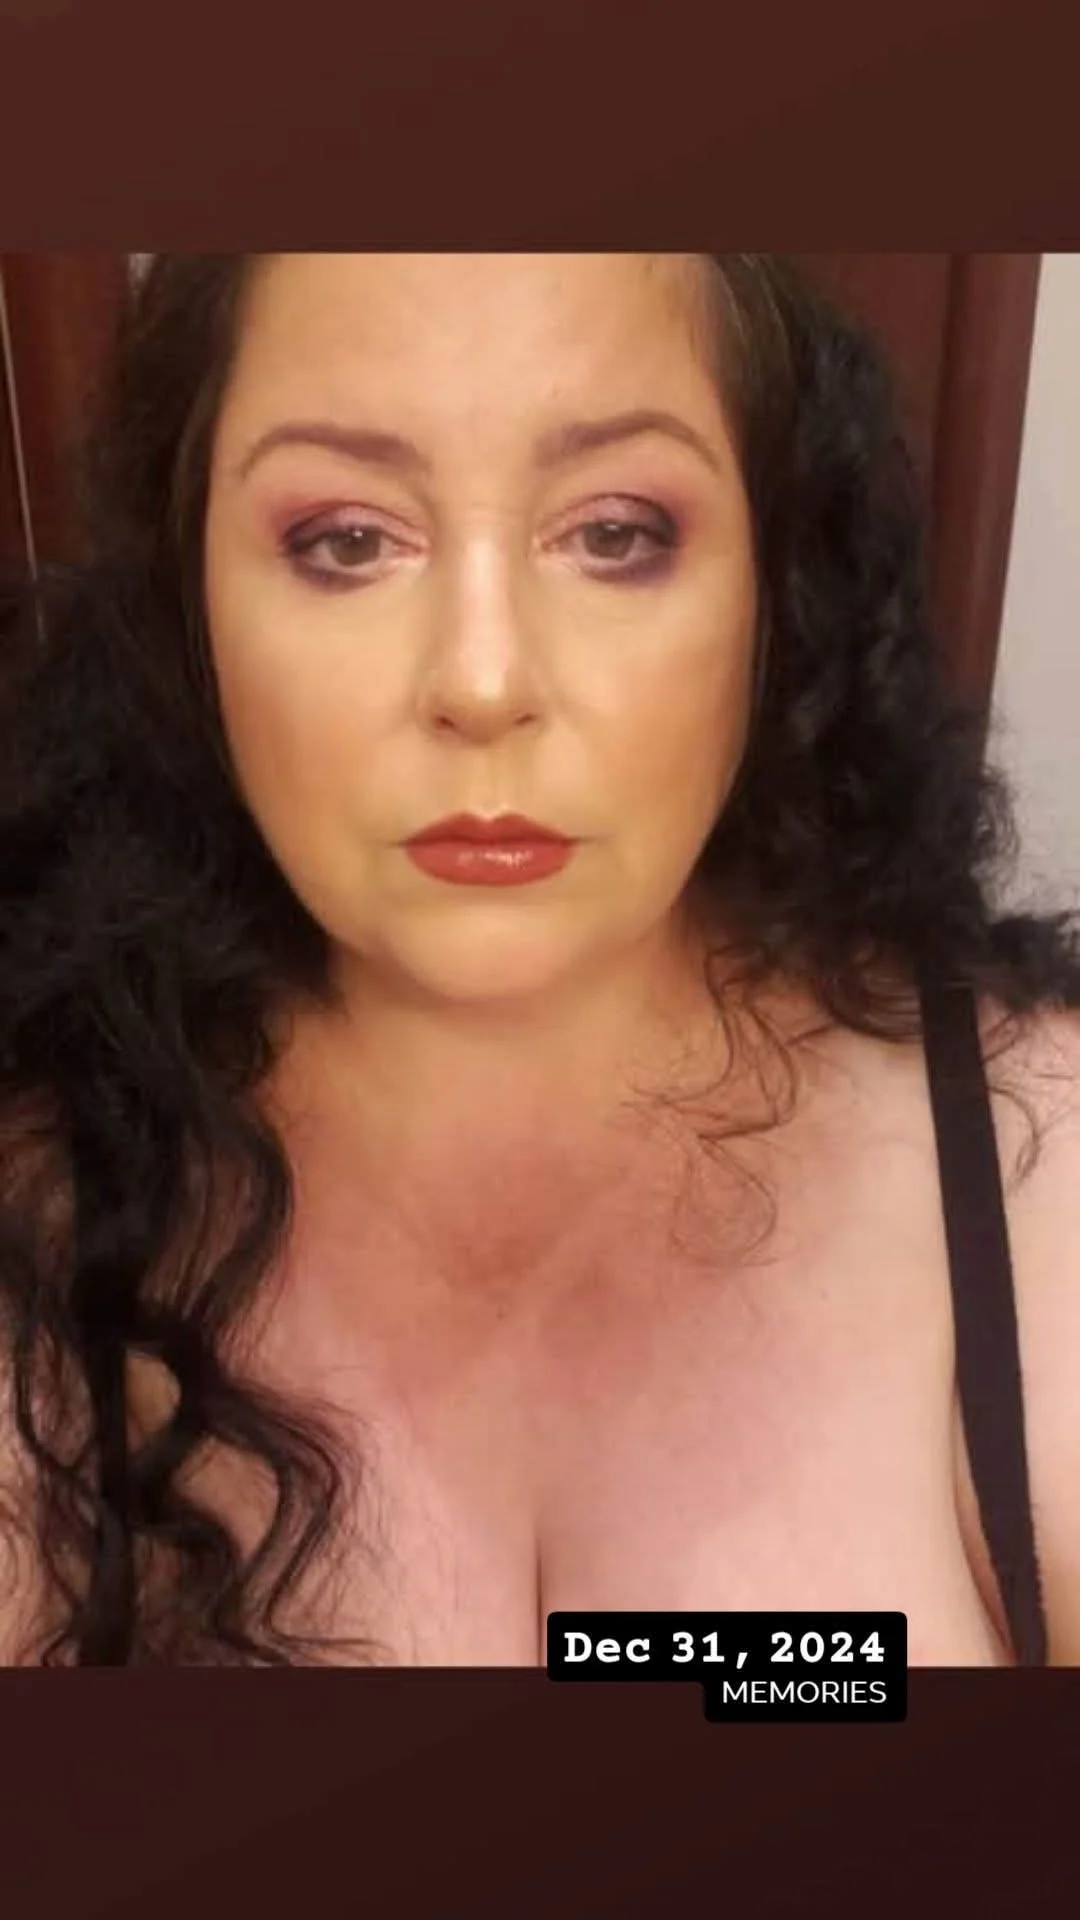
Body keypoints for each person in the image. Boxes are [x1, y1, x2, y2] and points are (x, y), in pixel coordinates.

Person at [0, 252, 1077, 1670]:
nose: (484, 681)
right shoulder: (38, 1222)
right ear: (190, 607)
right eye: (345, 540)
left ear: (774, 585)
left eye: (616, 533)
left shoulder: (1038, 1164)